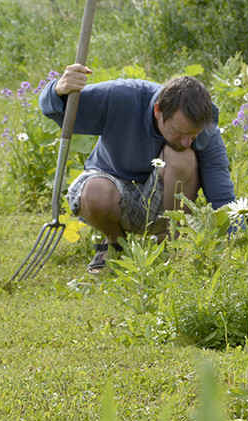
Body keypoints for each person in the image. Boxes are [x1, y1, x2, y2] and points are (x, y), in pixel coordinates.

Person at [39, 64, 237, 273]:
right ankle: (115, 245)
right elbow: (57, 109)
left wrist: (236, 247)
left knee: (183, 156)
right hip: (112, 189)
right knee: (95, 194)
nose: (188, 141)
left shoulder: (206, 129)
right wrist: (58, 89)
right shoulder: (123, 96)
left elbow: (223, 199)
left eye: (193, 135)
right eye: (179, 132)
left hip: (165, 205)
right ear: (158, 110)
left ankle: (178, 249)